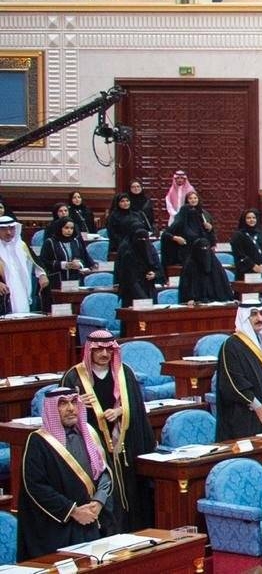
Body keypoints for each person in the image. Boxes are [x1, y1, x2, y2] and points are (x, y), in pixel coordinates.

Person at [60, 330, 154, 532]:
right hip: (92, 446)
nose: (104, 354)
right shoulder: (74, 377)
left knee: (130, 493)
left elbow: (137, 405)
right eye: (99, 349)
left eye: (108, 349)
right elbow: (61, 414)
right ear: (89, 350)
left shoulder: (124, 372)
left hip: (124, 445)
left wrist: (121, 411)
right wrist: (76, 406)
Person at [18, 388, 113, 560]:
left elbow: (104, 471)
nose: (70, 408)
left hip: (92, 520)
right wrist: (74, 511)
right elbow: (36, 487)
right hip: (57, 528)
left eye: (73, 402)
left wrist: (99, 501)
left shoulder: (89, 433)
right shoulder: (37, 442)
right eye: (63, 404)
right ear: (51, 409)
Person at [216, 302, 262, 441]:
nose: (259, 318)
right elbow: (233, 384)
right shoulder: (231, 346)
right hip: (245, 415)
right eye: (253, 314)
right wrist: (259, 408)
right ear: (244, 318)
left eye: (261, 313)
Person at [169, 191, 233, 303]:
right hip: (188, 252)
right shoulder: (182, 215)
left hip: (205, 252)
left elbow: (210, 235)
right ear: (186, 201)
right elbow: (168, 233)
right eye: (190, 198)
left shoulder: (204, 214)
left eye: (195, 198)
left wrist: (210, 229)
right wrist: (176, 238)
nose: (193, 200)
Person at [38, 218, 94, 310]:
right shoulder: (50, 242)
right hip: (57, 282)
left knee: (75, 309)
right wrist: (64, 265)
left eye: (71, 228)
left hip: (74, 281)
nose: (69, 231)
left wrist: (80, 264)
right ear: (60, 228)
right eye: (66, 228)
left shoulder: (76, 242)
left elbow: (83, 258)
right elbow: (43, 262)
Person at [0, 216, 44, 314]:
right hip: (3, 293)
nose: (8, 232)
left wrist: (42, 275)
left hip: (21, 290)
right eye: (3, 229)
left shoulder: (21, 245)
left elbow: (36, 263)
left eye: (11, 228)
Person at [114, 225, 163, 306]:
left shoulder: (150, 249)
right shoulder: (128, 255)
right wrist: (144, 299)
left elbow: (159, 270)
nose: (143, 241)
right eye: (140, 239)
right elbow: (130, 280)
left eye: (145, 239)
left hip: (150, 290)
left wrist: (155, 274)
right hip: (132, 296)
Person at [230, 209, 262, 279]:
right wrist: (253, 266)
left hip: (261, 270)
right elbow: (239, 253)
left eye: (254, 218)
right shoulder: (238, 235)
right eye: (248, 218)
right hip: (245, 272)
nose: (251, 220)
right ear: (244, 220)